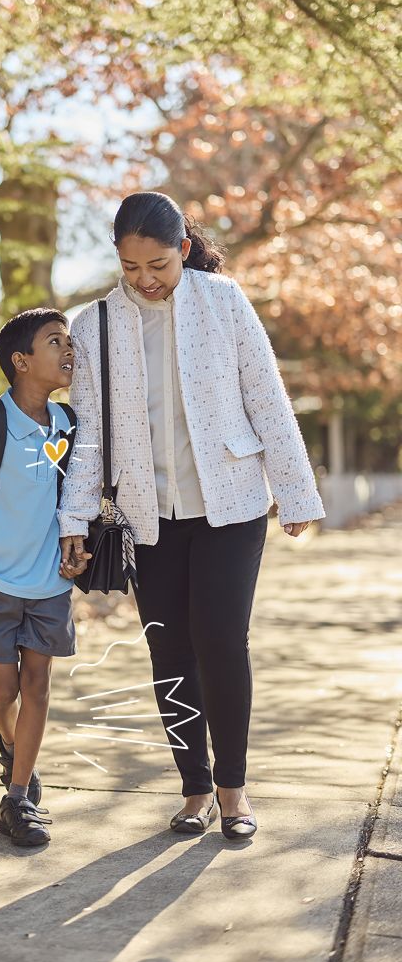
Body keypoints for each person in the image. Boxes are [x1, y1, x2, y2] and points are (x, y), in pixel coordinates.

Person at [58, 191, 324, 840]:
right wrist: (73, 516)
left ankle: (233, 789)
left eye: (158, 265)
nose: (145, 280)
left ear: (183, 250)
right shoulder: (92, 325)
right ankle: (194, 788)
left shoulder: (222, 301)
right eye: (130, 268)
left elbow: (265, 395)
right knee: (168, 648)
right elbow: (87, 431)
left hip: (229, 504)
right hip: (147, 516)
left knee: (221, 641)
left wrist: (295, 491)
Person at [0, 307, 86, 847]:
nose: (68, 350)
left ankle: (19, 796)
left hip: (49, 585)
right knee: (2, 691)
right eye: (56, 342)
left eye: (68, 341)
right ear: (21, 361)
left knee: (39, 687)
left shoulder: (71, 426)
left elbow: (80, 501)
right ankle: (10, 745)